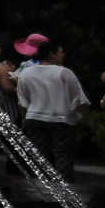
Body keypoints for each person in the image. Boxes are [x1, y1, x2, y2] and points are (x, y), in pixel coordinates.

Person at [14, 34, 90, 180]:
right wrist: (88, 119)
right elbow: (79, 100)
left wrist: (24, 118)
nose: (63, 54)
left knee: (39, 158)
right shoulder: (64, 73)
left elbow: (22, 101)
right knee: (63, 157)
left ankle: (38, 190)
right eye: (60, 51)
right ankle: (65, 192)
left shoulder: (26, 73)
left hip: (34, 118)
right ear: (51, 53)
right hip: (61, 120)